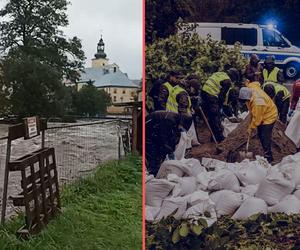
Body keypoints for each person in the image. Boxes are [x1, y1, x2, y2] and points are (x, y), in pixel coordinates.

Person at [145, 111, 193, 176]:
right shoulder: (169, 120)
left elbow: (171, 137)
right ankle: (153, 172)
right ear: (182, 122)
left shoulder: (176, 121)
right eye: (182, 128)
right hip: (148, 129)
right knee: (153, 152)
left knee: (162, 151)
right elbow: (163, 138)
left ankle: (157, 168)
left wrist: (172, 148)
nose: (182, 130)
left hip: (156, 130)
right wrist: (170, 151)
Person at [238, 87, 278, 163]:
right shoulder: (251, 92)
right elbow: (254, 113)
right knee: (260, 134)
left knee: (264, 136)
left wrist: (251, 127)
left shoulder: (258, 103)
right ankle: (266, 152)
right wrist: (250, 123)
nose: (244, 102)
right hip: (263, 112)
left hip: (269, 116)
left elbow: (257, 120)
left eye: (245, 101)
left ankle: (269, 158)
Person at [201, 68, 239, 142]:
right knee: (215, 116)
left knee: (211, 116)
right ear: (233, 76)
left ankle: (213, 136)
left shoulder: (220, 74)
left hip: (204, 93)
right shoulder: (228, 81)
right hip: (211, 95)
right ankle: (219, 137)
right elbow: (222, 96)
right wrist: (220, 106)